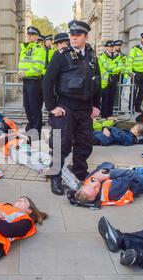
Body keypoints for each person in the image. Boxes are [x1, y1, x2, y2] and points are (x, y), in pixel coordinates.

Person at [42, 20, 101, 196]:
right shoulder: (61, 55)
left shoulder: (92, 55)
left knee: (85, 144)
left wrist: (96, 105)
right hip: (66, 106)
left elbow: (97, 81)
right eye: (72, 35)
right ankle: (55, 177)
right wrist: (52, 106)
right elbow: (47, 82)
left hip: (85, 108)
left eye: (78, 35)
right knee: (61, 143)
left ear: (85, 37)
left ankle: (80, 174)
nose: (73, 38)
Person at [18, 26, 47, 138]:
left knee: (35, 108)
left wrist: (26, 73)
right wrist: (20, 73)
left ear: (36, 37)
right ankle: (30, 127)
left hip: (35, 82)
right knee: (28, 107)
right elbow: (24, 63)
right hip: (26, 81)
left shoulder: (39, 49)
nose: (28, 36)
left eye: (31, 35)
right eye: (28, 34)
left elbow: (37, 68)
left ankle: (36, 131)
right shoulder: (26, 48)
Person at [128, 33, 143, 113]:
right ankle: (131, 107)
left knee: (142, 91)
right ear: (141, 39)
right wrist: (129, 71)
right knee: (134, 90)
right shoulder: (135, 49)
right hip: (136, 72)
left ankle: (137, 107)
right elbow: (130, 60)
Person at [99, 41, 123, 118]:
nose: (111, 48)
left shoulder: (118, 56)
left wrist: (111, 70)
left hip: (114, 78)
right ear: (106, 47)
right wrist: (114, 68)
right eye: (110, 47)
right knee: (105, 98)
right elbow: (104, 66)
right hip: (105, 79)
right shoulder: (102, 56)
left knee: (112, 97)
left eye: (112, 47)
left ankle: (110, 114)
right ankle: (104, 115)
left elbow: (120, 67)